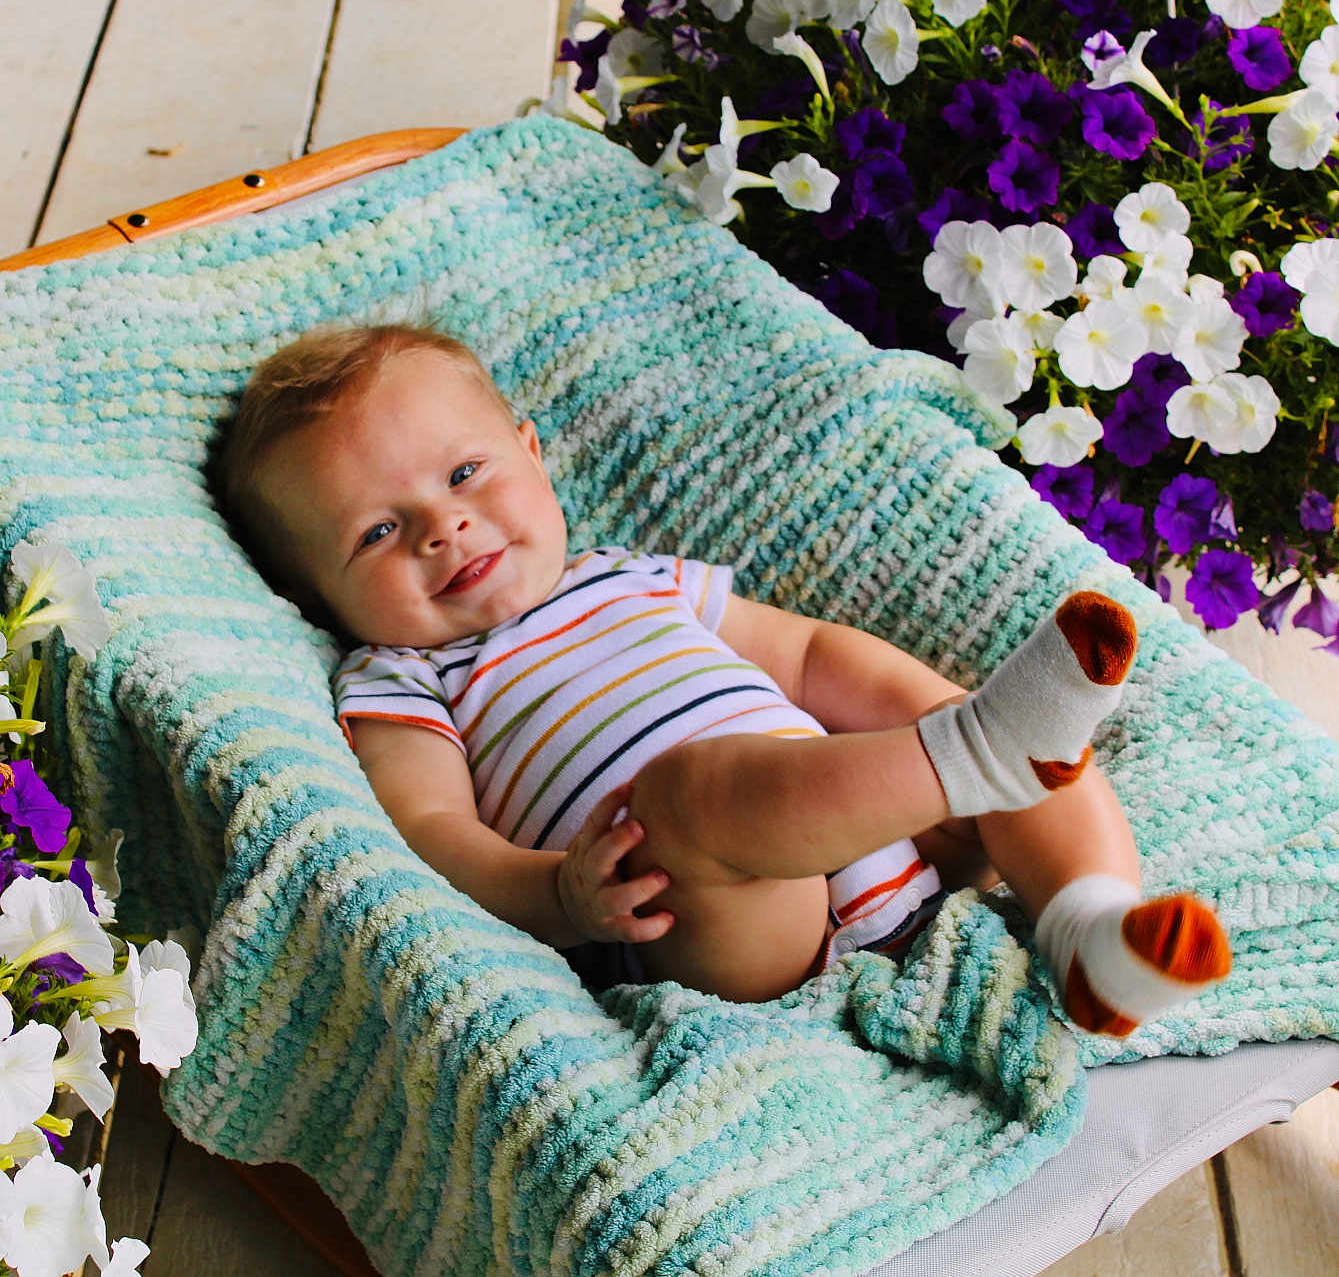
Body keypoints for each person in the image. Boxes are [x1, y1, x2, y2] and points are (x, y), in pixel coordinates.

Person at [217, 320, 1231, 1024]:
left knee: (995, 741)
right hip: (724, 925)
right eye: (380, 531)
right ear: (317, 600)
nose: (446, 527)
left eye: (465, 472)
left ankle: (1090, 932)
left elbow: (806, 655)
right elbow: (435, 837)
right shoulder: (400, 679)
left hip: (883, 829)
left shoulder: (630, 578)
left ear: (530, 452)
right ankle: (982, 751)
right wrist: (563, 897)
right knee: (678, 795)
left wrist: (924, 708)